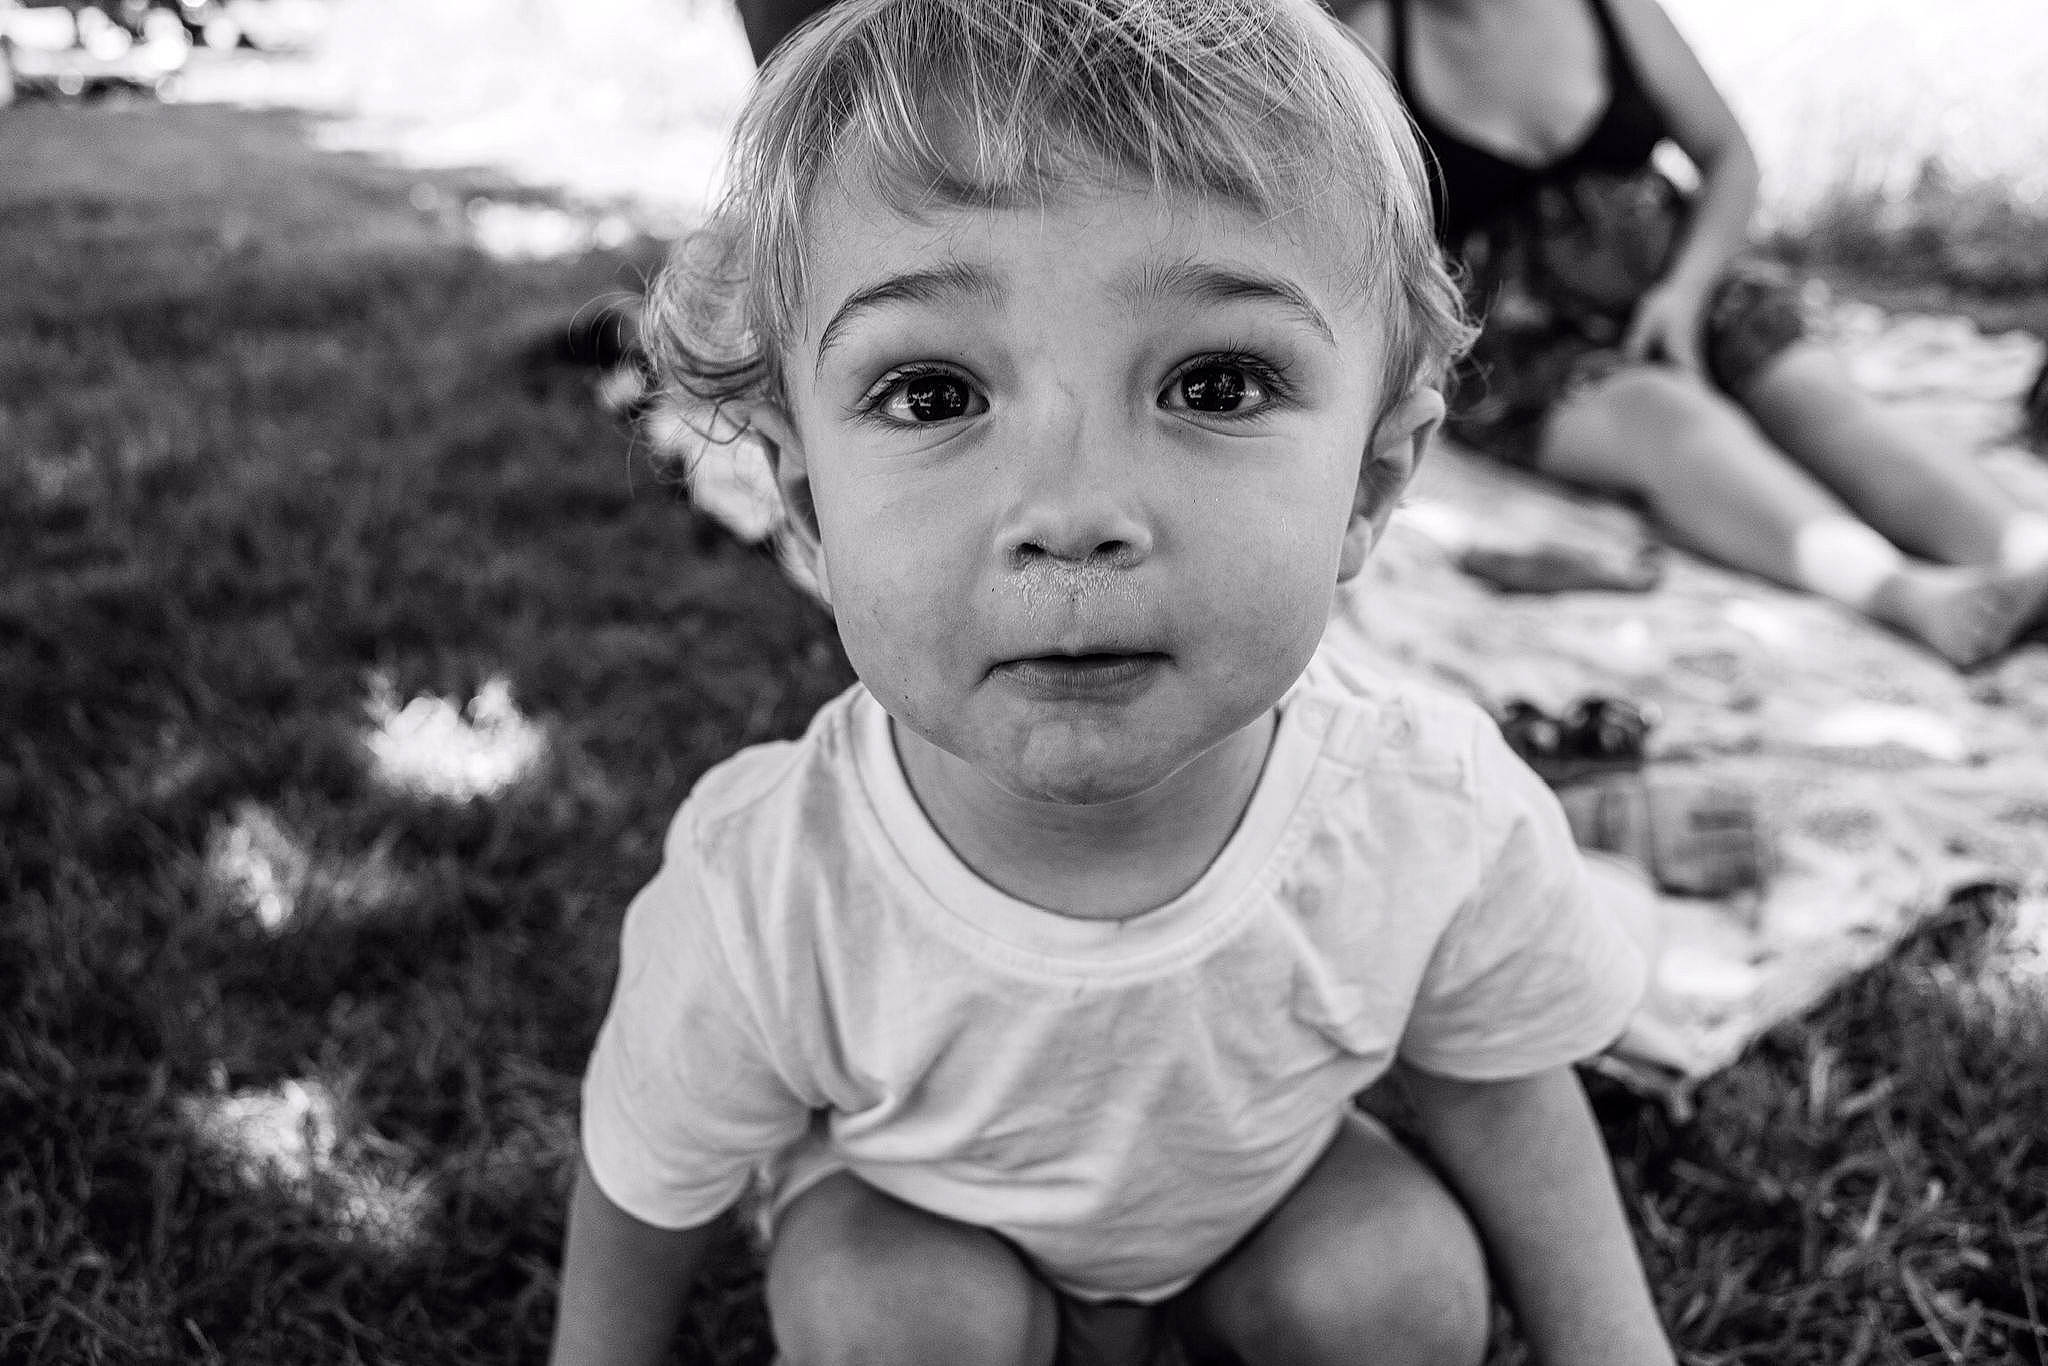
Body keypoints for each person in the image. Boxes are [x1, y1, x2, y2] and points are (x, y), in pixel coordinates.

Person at [550, 2, 1678, 1363]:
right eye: (931, 393)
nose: (1073, 510)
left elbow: (1502, 1086)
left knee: (1404, 1289)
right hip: (928, 1221)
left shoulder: (1425, 808)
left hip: (1262, 1216)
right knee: (888, 1314)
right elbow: (647, 1177)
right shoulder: (770, 881)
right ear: (802, 502)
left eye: (1214, 381)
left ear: (1372, 482)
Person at [1333, 0, 2048, 668]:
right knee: (1672, 421)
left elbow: (1729, 155)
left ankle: (2026, 551)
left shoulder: (1609, 7)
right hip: (1523, 338)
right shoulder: (1375, 41)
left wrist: (1683, 293)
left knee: (1815, 399)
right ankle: (1907, 593)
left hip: (1678, 277)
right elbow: (1366, 250)